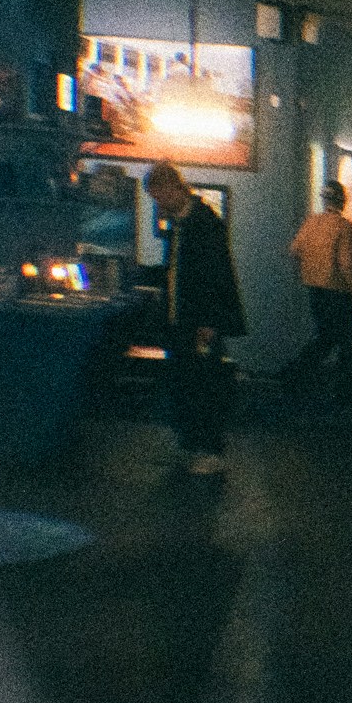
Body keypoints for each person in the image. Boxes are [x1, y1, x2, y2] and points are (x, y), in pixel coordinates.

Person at [142, 162, 247, 476]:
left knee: (203, 385)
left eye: (158, 195)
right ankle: (196, 445)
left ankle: (209, 448)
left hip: (195, 320)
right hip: (185, 319)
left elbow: (214, 275)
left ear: (171, 188)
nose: (157, 202)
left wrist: (209, 321)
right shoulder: (191, 221)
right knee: (191, 382)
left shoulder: (198, 223)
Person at [282, 179, 352, 413]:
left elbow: (294, 250)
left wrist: (309, 269)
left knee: (325, 338)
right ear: (342, 200)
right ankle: (346, 393)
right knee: (348, 345)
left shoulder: (311, 222)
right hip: (338, 292)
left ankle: (295, 372)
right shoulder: (343, 226)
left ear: (324, 199)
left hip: (315, 290)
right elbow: (347, 264)